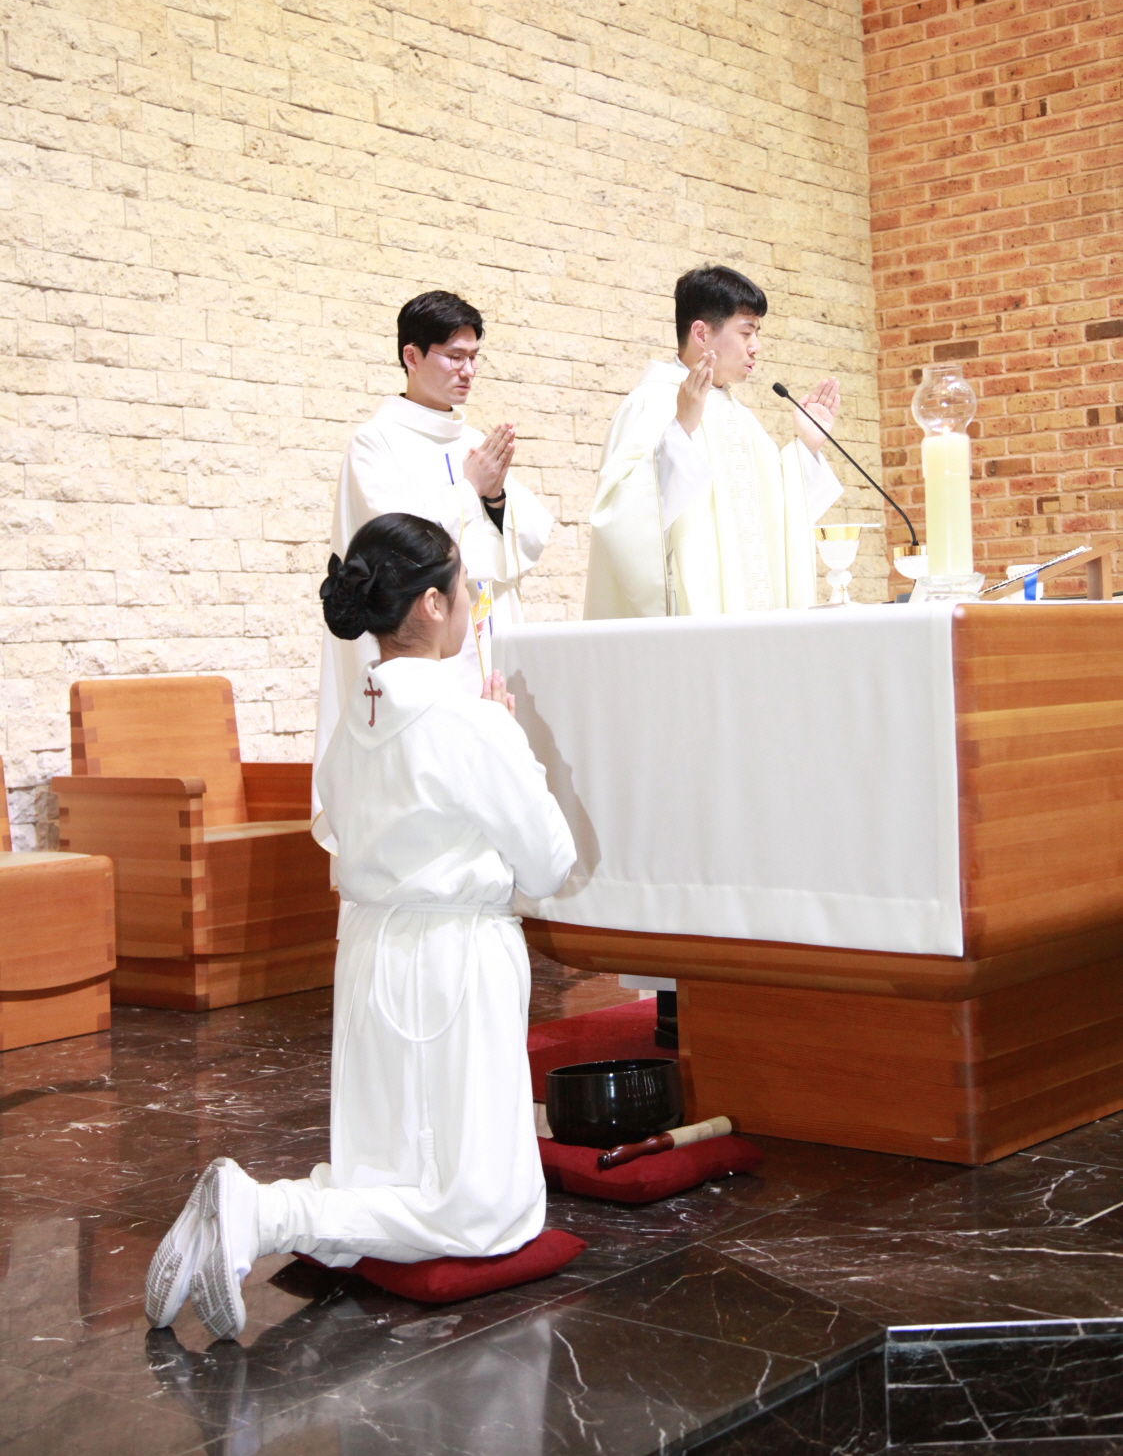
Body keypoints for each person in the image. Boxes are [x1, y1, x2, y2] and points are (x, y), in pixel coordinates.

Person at [145, 514, 575, 1342]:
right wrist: (509, 739)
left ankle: (246, 1219)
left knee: (386, 1166)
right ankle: (261, 1211)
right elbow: (550, 862)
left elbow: (343, 826)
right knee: (483, 1212)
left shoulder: (354, 721)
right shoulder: (467, 721)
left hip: (371, 951)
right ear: (431, 604)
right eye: (463, 588)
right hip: (452, 959)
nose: (468, 604)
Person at [314, 290, 554, 820]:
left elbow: (532, 536)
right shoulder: (375, 444)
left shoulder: (473, 442)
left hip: (482, 632)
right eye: (454, 356)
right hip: (420, 642)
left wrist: (495, 497)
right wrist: (469, 490)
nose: (468, 370)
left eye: (474, 357)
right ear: (412, 356)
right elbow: (393, 543)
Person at [584, 265, 845, 619]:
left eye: (757, 333)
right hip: (691, 626)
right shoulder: (651, 403)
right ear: (701, 333)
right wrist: (681, 430)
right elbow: (622, 519)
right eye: (746, 332)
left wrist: (807, 447)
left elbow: (773, 517)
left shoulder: (741, 417)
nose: (756, 347)